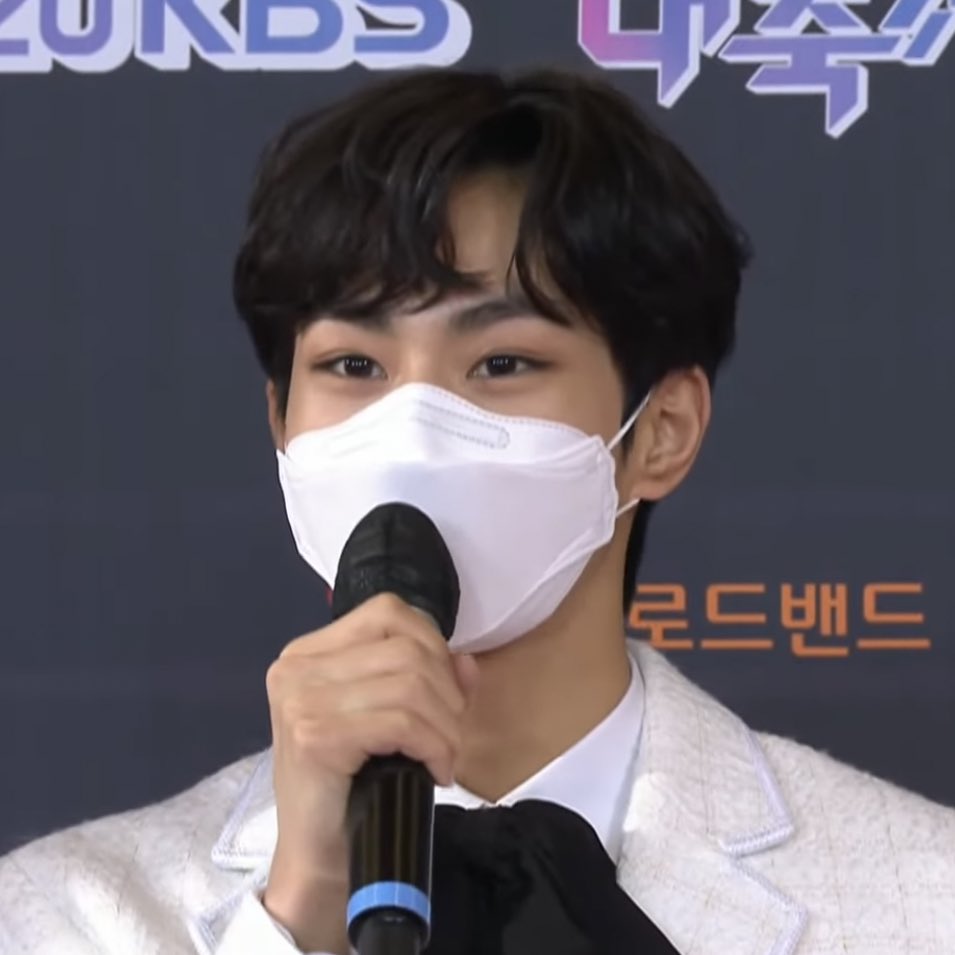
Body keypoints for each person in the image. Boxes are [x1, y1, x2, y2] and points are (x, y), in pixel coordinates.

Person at [1, 68, 953, 955]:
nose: (413, 430)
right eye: (352, 365)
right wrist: (301, 909)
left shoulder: (921, 898)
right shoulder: (65, 913)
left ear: (660, 431)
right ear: (280, 421)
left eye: (501, 363)